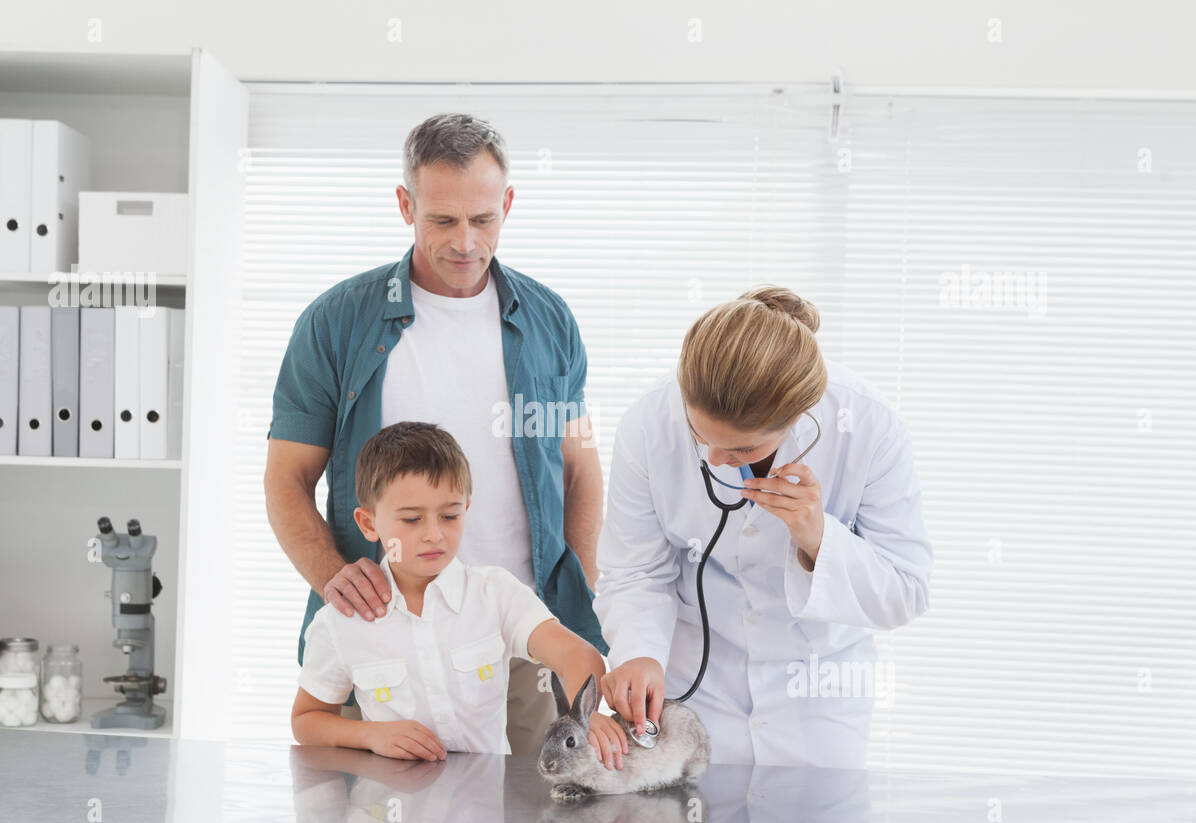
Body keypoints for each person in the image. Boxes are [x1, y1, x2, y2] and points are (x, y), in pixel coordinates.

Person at [265, 113, 606, 755]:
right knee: (387, 814)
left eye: (483, 220)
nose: (466, 243)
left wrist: (575, 591)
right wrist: (330, 572)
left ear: (507, 204)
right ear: (405, 205)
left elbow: (582, 468)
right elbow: (286, 477)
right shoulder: (336, 322)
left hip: (526, 631)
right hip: (388, 634)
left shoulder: (550, 321)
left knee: (537, 814)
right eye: (442, 221)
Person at [595, 286, 933, 768]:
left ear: (800, 417)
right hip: (695, 686)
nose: (715, 460)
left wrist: (816, 537)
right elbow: (635, 571)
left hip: (817, 695)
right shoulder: (648, 422)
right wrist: (638, 652)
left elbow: (906, 591)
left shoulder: (870, 426)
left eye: (742, 451)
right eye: (699, 437)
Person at [291, 422, 626, 764]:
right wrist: (370, 735)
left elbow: (577, 655)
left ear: (465, 508)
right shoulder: (340, 621)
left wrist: (586, 716)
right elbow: (306, 720)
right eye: (411, 520)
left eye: (449, 515)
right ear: (369, 524)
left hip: (483, 811)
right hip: (386, 810)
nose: (434, 534)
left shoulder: (496, 594)